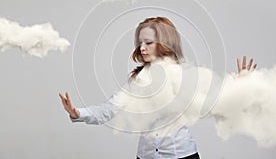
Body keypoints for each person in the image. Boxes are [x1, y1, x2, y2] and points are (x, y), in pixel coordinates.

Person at [59, 17, 257, 159]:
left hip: (180, 155)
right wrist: (78, 113)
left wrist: (239, 84)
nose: (142, 48)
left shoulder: (186, 75)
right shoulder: (138, 80)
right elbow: (111, 108)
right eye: (140, 43)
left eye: (148, 43)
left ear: (164, 43)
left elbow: (215, 101)